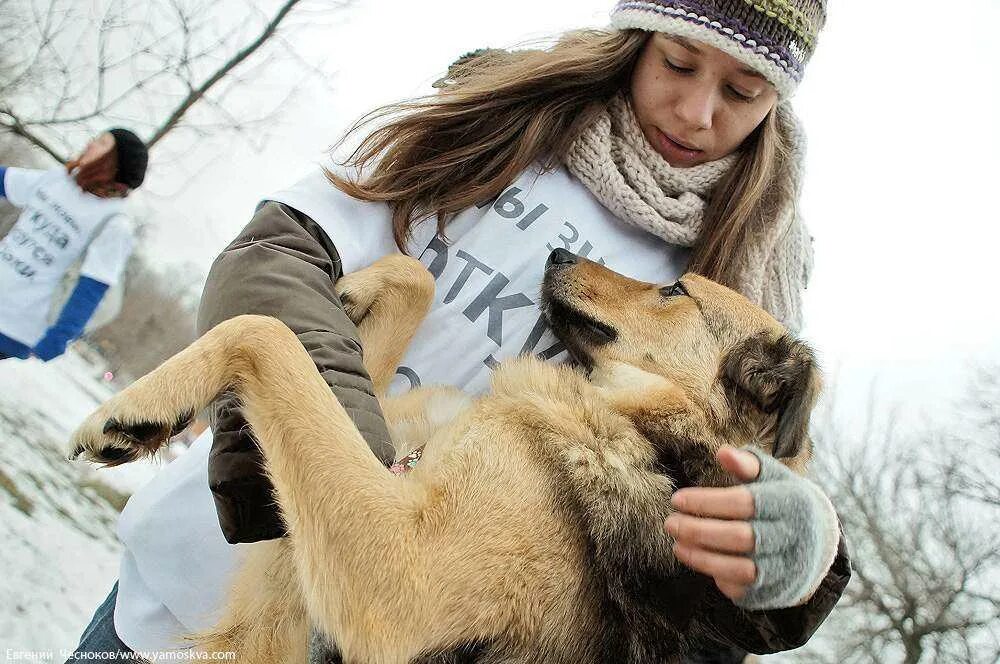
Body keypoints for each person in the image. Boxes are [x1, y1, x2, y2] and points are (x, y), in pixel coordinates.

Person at [68, 1, 850, 662]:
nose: (697, 112)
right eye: (679, 63)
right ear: (639, 35)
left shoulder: (747, 277)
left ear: (776, 103)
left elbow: (730, 516)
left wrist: (805, 553)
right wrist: (348, 487)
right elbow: (280, 254)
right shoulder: (494, 115)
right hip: (197, 580)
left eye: (744, 91)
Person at [0, 128, 146, 362]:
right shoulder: (60, 181)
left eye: (101, 143)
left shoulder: (115, 223)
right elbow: (5, 181)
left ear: (114, 162)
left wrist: (60, 335)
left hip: (15, 322)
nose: (90, 144)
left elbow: (92, 287)